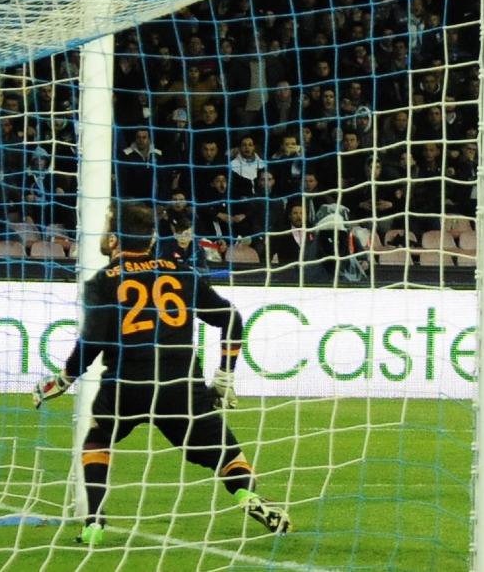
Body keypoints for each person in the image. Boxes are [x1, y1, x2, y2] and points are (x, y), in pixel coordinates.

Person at [33, 203, 292, 543]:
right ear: (152, 239)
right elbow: (230, 318)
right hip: (180, 388)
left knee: (97, 439)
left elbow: (93, 339)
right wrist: (226, 374)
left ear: (113, 239)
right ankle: (248, 497)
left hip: (126, 385)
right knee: (229, 455)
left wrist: (65, 378)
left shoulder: (102, 281)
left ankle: (93, 522)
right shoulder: (181, 270)